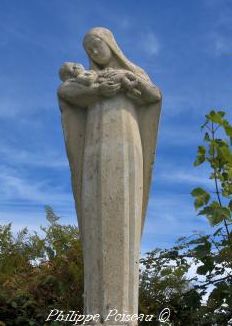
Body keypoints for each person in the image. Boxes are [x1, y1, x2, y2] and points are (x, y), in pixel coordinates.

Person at [58, 27, 161, 322]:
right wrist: (96, 92)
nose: (93, 51)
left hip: (128, 143)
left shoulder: (133, 71)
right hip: (94, 147)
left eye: (97, 44)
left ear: (111, 44)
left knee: (124, 213)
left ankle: (123, 315)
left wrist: (134, 88)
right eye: (89, 48)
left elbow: (154, 94)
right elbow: (66, 92)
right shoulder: (86, 80)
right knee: (96, 217)